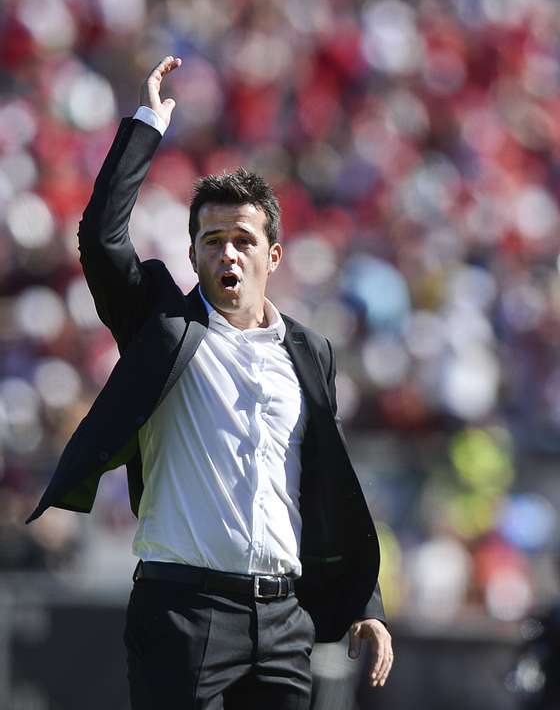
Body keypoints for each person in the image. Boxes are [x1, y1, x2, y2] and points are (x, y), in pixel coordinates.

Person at [26, 56, 393, 709]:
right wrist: (145, 124)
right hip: (183, 611)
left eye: (243, 240)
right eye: (212, 240)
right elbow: (101, 238)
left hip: (284, 618)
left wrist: (362, 600)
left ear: (273, 256)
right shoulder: (161, 327)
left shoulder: (311, 353)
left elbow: (323, 485)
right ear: (193, 254)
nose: (228, 253)